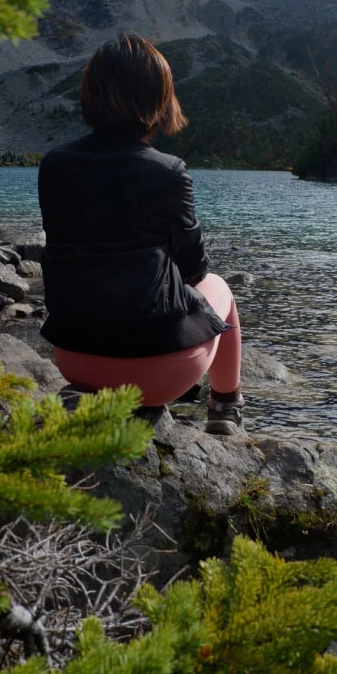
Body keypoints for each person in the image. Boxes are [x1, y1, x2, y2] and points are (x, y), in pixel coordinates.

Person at [37, 33, 244, 435]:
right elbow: (194, 268)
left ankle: (91, 395)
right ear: (157, 99)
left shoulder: (54, 165)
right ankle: (225, 409)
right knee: (221, 288)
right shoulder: (167, 171)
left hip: (74, 359)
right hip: (155, 377)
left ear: (90, 94)